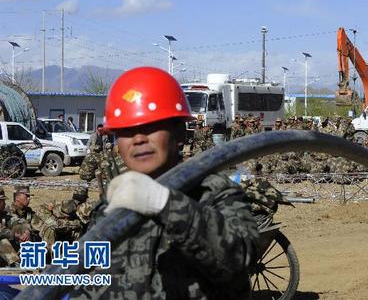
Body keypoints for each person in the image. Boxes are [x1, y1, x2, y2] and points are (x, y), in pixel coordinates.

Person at [69, 66, 258, 299]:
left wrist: (166, 204)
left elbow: (237, 260)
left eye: (151, 127)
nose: (138, 139)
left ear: (179, 133)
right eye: (127, 131)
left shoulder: (212, 193)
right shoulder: (112, 206)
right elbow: (92, 282)